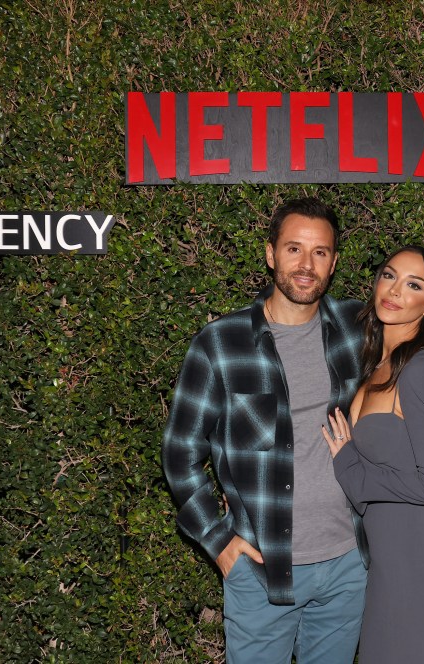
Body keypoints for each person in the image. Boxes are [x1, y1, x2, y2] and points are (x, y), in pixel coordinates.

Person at [161, 198, 368, 664]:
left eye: (320, 253)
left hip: (346, 568)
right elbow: (180, 452)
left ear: (334, 262)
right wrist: (218, 543)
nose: (306, 265)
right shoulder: (219, 343)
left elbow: (416, 351)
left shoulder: (357, 330)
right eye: (294, 249)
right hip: (260, 572)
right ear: (271, 254)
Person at [322, 245, 424, 664]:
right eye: (389, 276)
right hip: (387, 570)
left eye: (414, 285)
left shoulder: (423, 367)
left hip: (423, 568)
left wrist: (351, 468)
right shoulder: (374, 366)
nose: (395, 290)